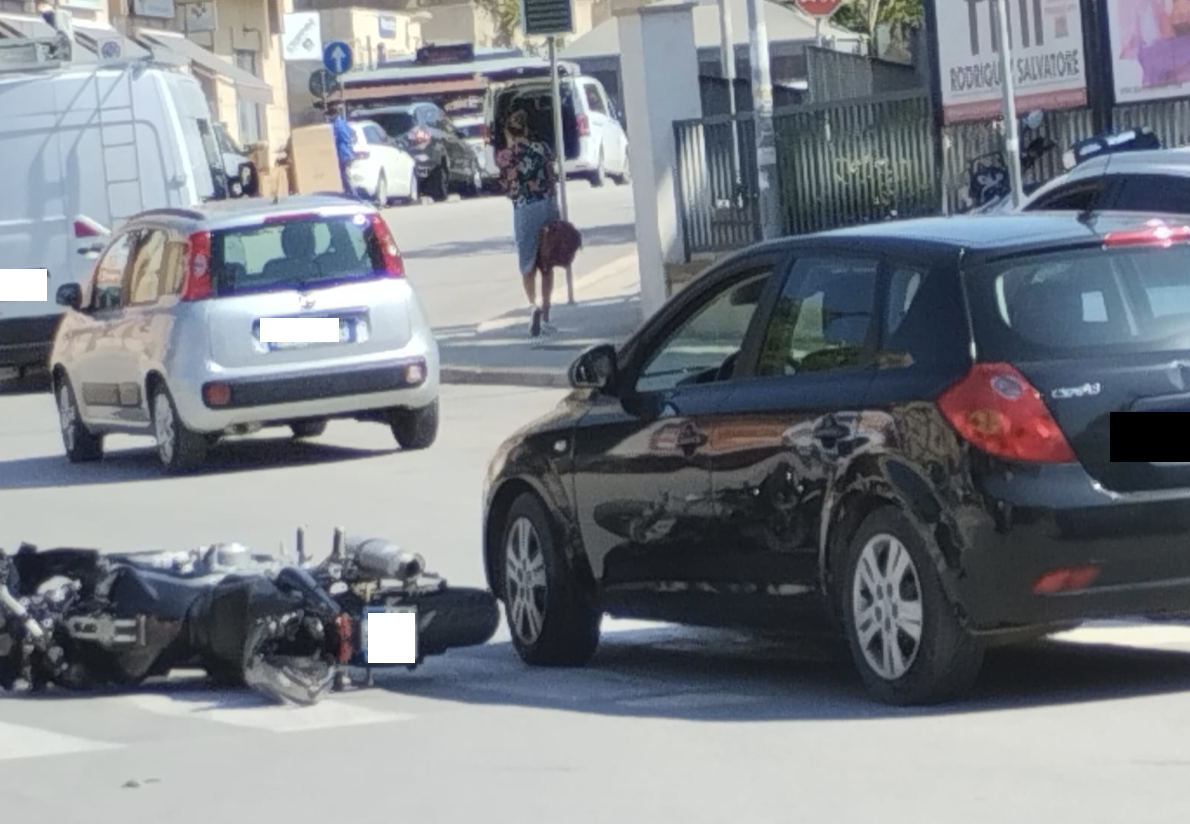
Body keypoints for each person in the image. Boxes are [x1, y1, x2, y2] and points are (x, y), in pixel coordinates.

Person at [496, 109, 560, 338]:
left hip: (524, 209)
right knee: (546, 262)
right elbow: (552, 178)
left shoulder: (506, 156)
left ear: (509, 132)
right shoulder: (542, 149)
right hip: (546, 205)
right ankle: (547, 314)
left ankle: (532, 305)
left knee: (527, 261)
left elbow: (507, 187)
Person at [327, 101, 356, 196]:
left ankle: (353, 195)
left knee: (346, 176)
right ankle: (349, 193)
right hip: (343, 153)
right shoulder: (341, 122)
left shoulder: (338, 124)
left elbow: (346, 136)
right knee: (344, 176)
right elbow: (352, 133)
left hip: (344, 153)